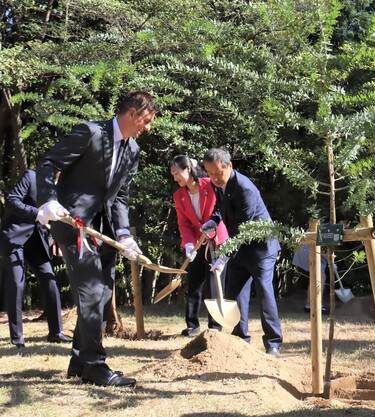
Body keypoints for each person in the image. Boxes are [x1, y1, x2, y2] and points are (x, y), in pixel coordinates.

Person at [35, 90, 160, 387]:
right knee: (91, 292)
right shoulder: (90, 133)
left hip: (103, 232)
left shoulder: (133, 151)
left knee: (102, 296)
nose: (148, 127)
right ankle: (94, 364)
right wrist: (48, 201)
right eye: (146, 120)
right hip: (73, 226)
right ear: (131, 113)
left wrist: (125, 234)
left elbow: (120, 198)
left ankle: (79, 363)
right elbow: (48, 164)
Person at [201, 148, 283, 357]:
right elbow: (221, 208)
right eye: (210, 173)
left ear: (229, 166)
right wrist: (214, 220)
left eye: (218, 173)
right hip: (240, 248)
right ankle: (240, 339)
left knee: (264, 292)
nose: (214, 178)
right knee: (234, 293)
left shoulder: (245, 188)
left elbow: (241, 228)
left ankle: (273, 343)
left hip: (261, 248)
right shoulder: (216, 183)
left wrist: (224, 255)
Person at [0, 169, 71, 347]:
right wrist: (37, 214)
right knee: (17, 283)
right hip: (14, 236)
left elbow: (57, 216)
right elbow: (12, 201)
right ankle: (17, 337)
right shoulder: (30, 176)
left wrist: (55, 238)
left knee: (50, 280)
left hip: (37, 240)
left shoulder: (61, 188)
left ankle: (56, 332)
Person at [170, 154, 229, 336]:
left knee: (214, 284)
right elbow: (183, 223)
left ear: (188, 169)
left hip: (216, 239)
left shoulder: (209, 184)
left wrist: (212, 226)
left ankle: (215, 326)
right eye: (172, 175)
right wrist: (188, 244)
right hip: (196, 243)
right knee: (194, 283)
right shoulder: (179, 196)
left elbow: (220, 209)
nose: (175, 178)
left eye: (176, 173)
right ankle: (192, 325)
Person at [291, 208, 350, 313]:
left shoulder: (330, 225)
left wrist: (330, 259)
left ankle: (310, 305)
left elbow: (325, 248)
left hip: (310, 248)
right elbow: (322, 249)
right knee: (319, 276)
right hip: (308, 248)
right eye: (344, 223)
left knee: (318, 276)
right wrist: (330, 260)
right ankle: (313, 306)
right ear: (338, 220)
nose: (346, 226)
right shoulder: (328, 227)